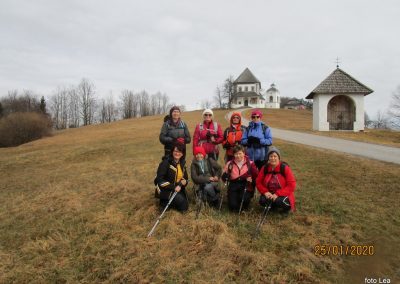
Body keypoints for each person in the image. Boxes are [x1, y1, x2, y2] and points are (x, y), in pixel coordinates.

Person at [256, 146, 296, 213]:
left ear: (279, 158)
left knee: (279, 201)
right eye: (271, 156)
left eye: (275, 156)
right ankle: (273, 206)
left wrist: (278, 194)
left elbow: (292, 185)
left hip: (283, 193)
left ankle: (287, 208)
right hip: (269, 192)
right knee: (262, 201)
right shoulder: (265, 168)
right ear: (268, 158)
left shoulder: (284, 168)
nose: (273, 158)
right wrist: (265, 192)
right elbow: (258, 182)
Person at [221, 145, 259, 212]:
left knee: (244, 200)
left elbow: (256, 176)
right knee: (232, 206)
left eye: (240, 153)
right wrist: (226, 175)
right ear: (233, 154)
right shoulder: (230, 164)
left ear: (244, 153)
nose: (238, 156)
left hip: (246, 184)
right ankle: (236, 206)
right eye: (236, 154)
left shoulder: (250, 163)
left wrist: (251, 179)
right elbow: (223, 178)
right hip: (233, 184)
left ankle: (243, 207)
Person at [155, 143, 189, 212]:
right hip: (165, 189)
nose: (177, 153)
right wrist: (174, 187)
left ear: (182, 154)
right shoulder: (165, 163)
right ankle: (164, 202)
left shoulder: (182, 164)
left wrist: (184, 182)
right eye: (175, 151)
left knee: (185, 206)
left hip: (177, 188)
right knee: (183, 205)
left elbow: (185, 178)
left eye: (179, 152)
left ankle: (169, 203)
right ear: (172, 152)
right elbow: (159, 180)